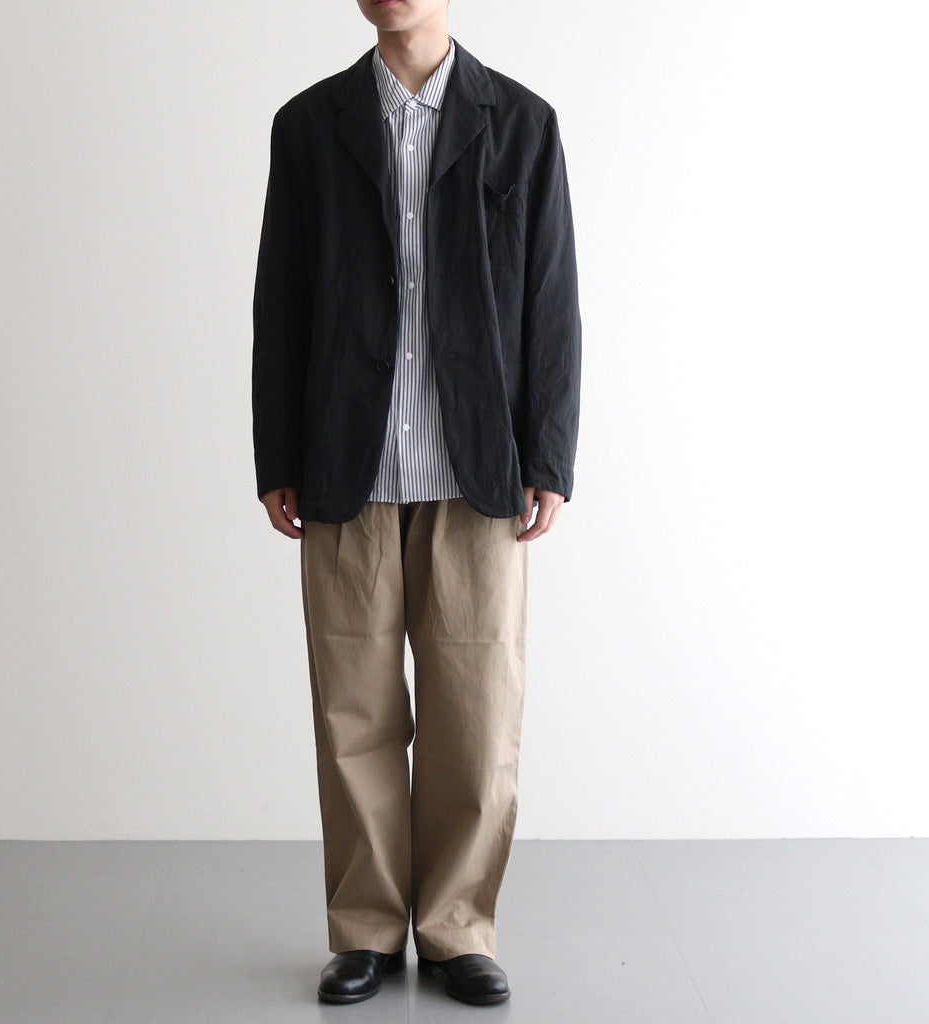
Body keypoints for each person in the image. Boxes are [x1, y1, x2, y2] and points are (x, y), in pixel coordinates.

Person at [251, 0, 581, 1006]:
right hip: (345, 464)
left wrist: (549, 455)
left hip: (477, 470)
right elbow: (280, 298)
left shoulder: (521, 123)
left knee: (476, 719)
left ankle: (455, 928)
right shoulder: (309, 125)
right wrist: (277, 453)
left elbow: (552, 301)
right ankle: (363, 929)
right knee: (351, 713)